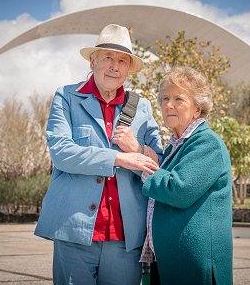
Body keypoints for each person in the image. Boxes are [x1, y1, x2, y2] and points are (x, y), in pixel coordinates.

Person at [34, 24, 163, 285]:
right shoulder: (66, 97)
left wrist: (136, 150)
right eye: (108, 57)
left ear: (128, 69)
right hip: (74, 232)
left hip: (125, 238)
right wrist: (118, 158)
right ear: (93, 61)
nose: (115, 66)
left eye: (122, 61)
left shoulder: (143, 107)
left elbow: (157, 164)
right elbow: (61, 153)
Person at [140, 67, 233, 285]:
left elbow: (179, 190)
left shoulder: (206, 143)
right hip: (170, 263)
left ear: (197, 109)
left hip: (193, 266)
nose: (168, 105)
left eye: (178, 99)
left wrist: (144, 164)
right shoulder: (176, 145)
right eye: (165, 98)